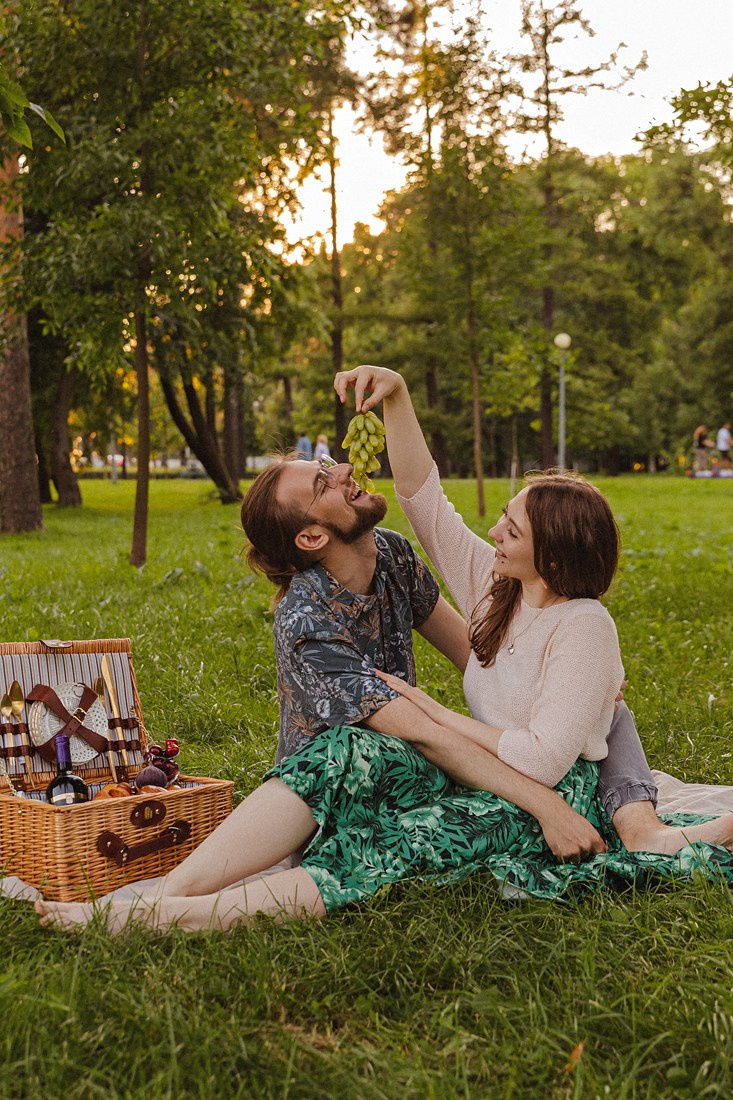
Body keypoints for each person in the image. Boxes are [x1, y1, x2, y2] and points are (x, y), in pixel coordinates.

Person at [35, 370, 733, 933]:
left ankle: (175, 917)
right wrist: (553, 768)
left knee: (409, 830)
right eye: (321, 482)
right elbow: (448, 701)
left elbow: (481, 660)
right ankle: (161, 900)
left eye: (510, 529)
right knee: (342, 753)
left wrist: (587, 706)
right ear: (311, 536)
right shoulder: (311, 620)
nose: (340, 469)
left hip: (454, 763)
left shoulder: (403, 561)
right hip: (353, 778)